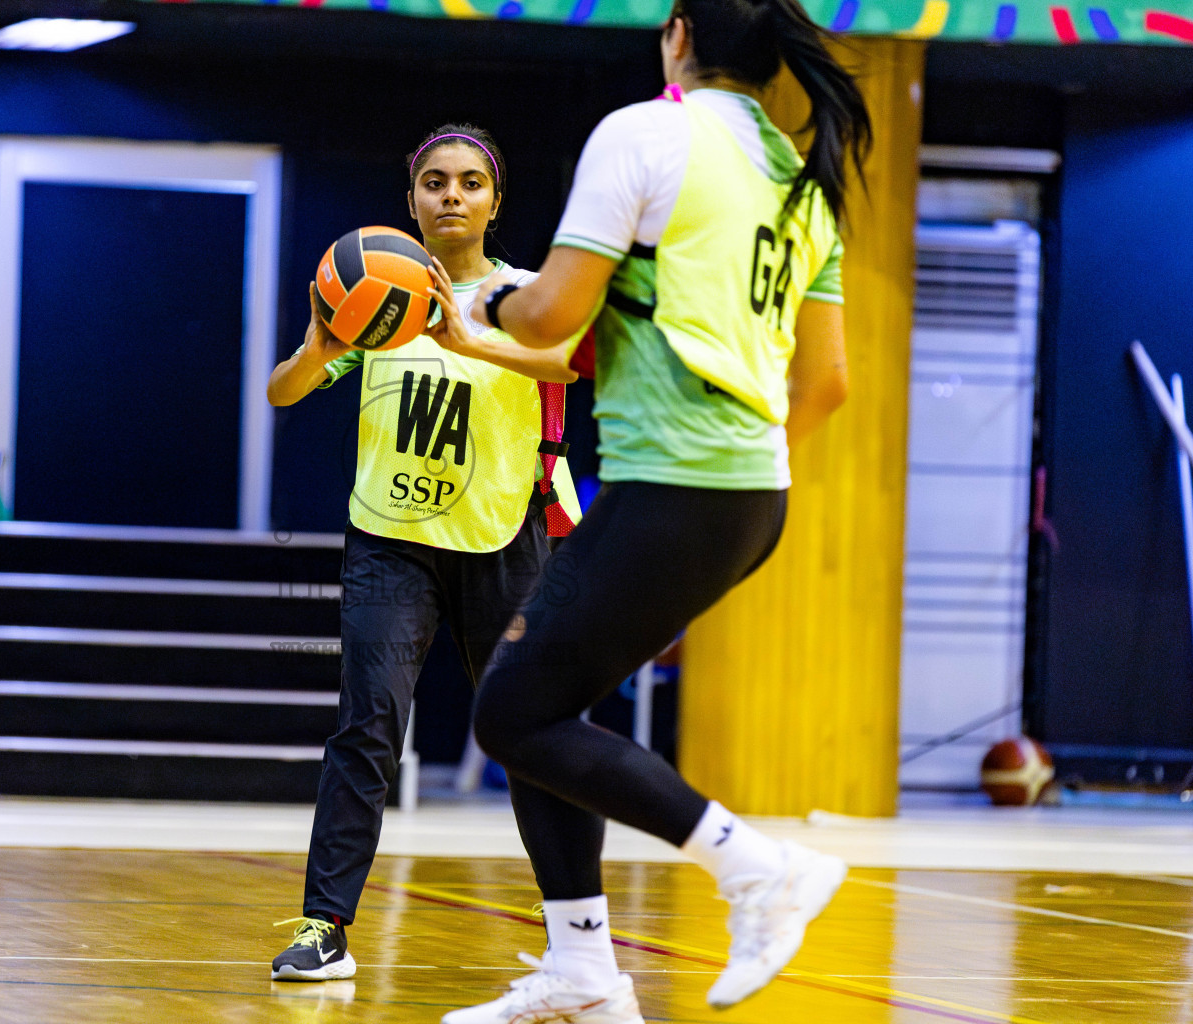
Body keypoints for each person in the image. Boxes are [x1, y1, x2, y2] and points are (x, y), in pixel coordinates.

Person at [445, 0, 871, 1019]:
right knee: (542, 706)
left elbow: (549, 308)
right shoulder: (799, 179)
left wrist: (478, 302)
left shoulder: (646, 133)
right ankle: (585, 977)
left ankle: (757, 867)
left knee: (513, 710)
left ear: (678, 31)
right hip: (747, 495)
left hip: (677, 488)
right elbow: (828, 385)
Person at [266, 123, 587, 982]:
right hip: (390, 542)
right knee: (366, 727)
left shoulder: (524, 294)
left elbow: (569, 366)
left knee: (532, 737)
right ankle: (324, 927)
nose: (452, 195)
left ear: (494, 200)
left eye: (470, 182)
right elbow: (282, 390)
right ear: (410, 200)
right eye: (435, 182)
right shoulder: (377, 295)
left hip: (504, 537)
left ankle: (575, 939)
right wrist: (319, 346)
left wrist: (471, 340)